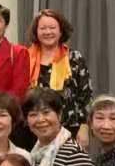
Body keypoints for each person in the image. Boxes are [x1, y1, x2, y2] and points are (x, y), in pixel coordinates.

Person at [25, 9, 93, 138]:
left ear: (61, 31)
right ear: (36, 32)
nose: (48, 32)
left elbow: (86, 96)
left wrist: (84, 126)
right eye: (43, 28)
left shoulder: (74, 58)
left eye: (52, 28)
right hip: (33, 129)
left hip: (69, 128)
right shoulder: (25, 58)